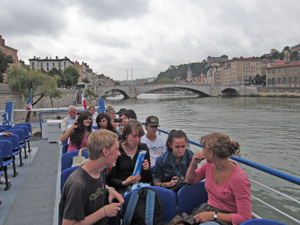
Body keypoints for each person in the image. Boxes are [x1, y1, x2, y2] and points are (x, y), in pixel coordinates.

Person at [60, 129, 124, 225]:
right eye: (117, 150)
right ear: (105, 151)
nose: (119, 153)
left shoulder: (100, 170)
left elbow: (95, 184)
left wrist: (110, 190)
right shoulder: (77, 186)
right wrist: (104, 212)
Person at [185, 132, 251, 225]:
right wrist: (193, 163)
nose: (202, 151)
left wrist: (213, 216)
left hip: (226, 219)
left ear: (211, 153)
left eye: (204, 149)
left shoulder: (239, 179)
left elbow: (244, 218)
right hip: (208, 210)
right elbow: (190, 180)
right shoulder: (209, 165)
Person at [110, 120, 152, 196]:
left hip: (140, 185)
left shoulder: (143, 148)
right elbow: (111, 179)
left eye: (139, 136)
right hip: (123, 186)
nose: (137, 140)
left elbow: (149, 179)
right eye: (134, 136)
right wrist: (124, 182)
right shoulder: (118, 150)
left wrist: (147, 169)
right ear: (126, 135)